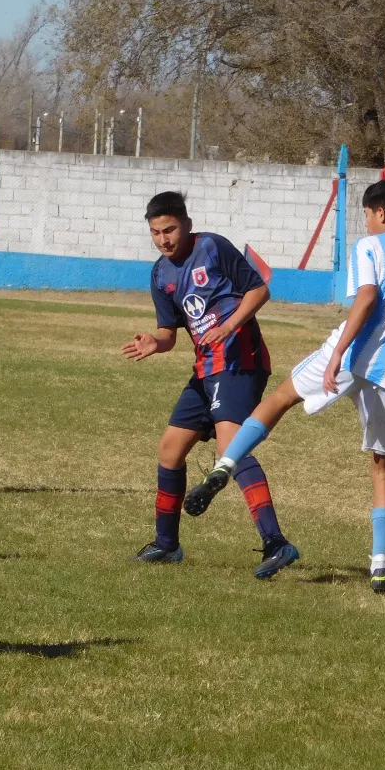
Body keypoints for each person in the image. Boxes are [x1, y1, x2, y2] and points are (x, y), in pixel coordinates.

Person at [183, 179, 385, 594]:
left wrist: (338, 353)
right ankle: (381, 566)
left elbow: (366, 297)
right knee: (383, 466)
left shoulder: (370, 247)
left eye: (367, 215)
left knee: (281, 397)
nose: (367, 222)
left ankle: (225, 466)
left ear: (381, 213)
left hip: (353, 355)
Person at [120, 191, 298, 577]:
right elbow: (169, 332)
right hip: (205, 369)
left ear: (186, 223)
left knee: (231, 448)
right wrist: (155, 342)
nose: (163, 239)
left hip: (240, 362)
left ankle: (276, 543)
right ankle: (167, 545)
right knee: (170, 449)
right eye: (155, 233)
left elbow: (259, 289)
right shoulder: (160, 274)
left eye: (169, 229)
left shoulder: (213, 247)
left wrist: (230, 325)